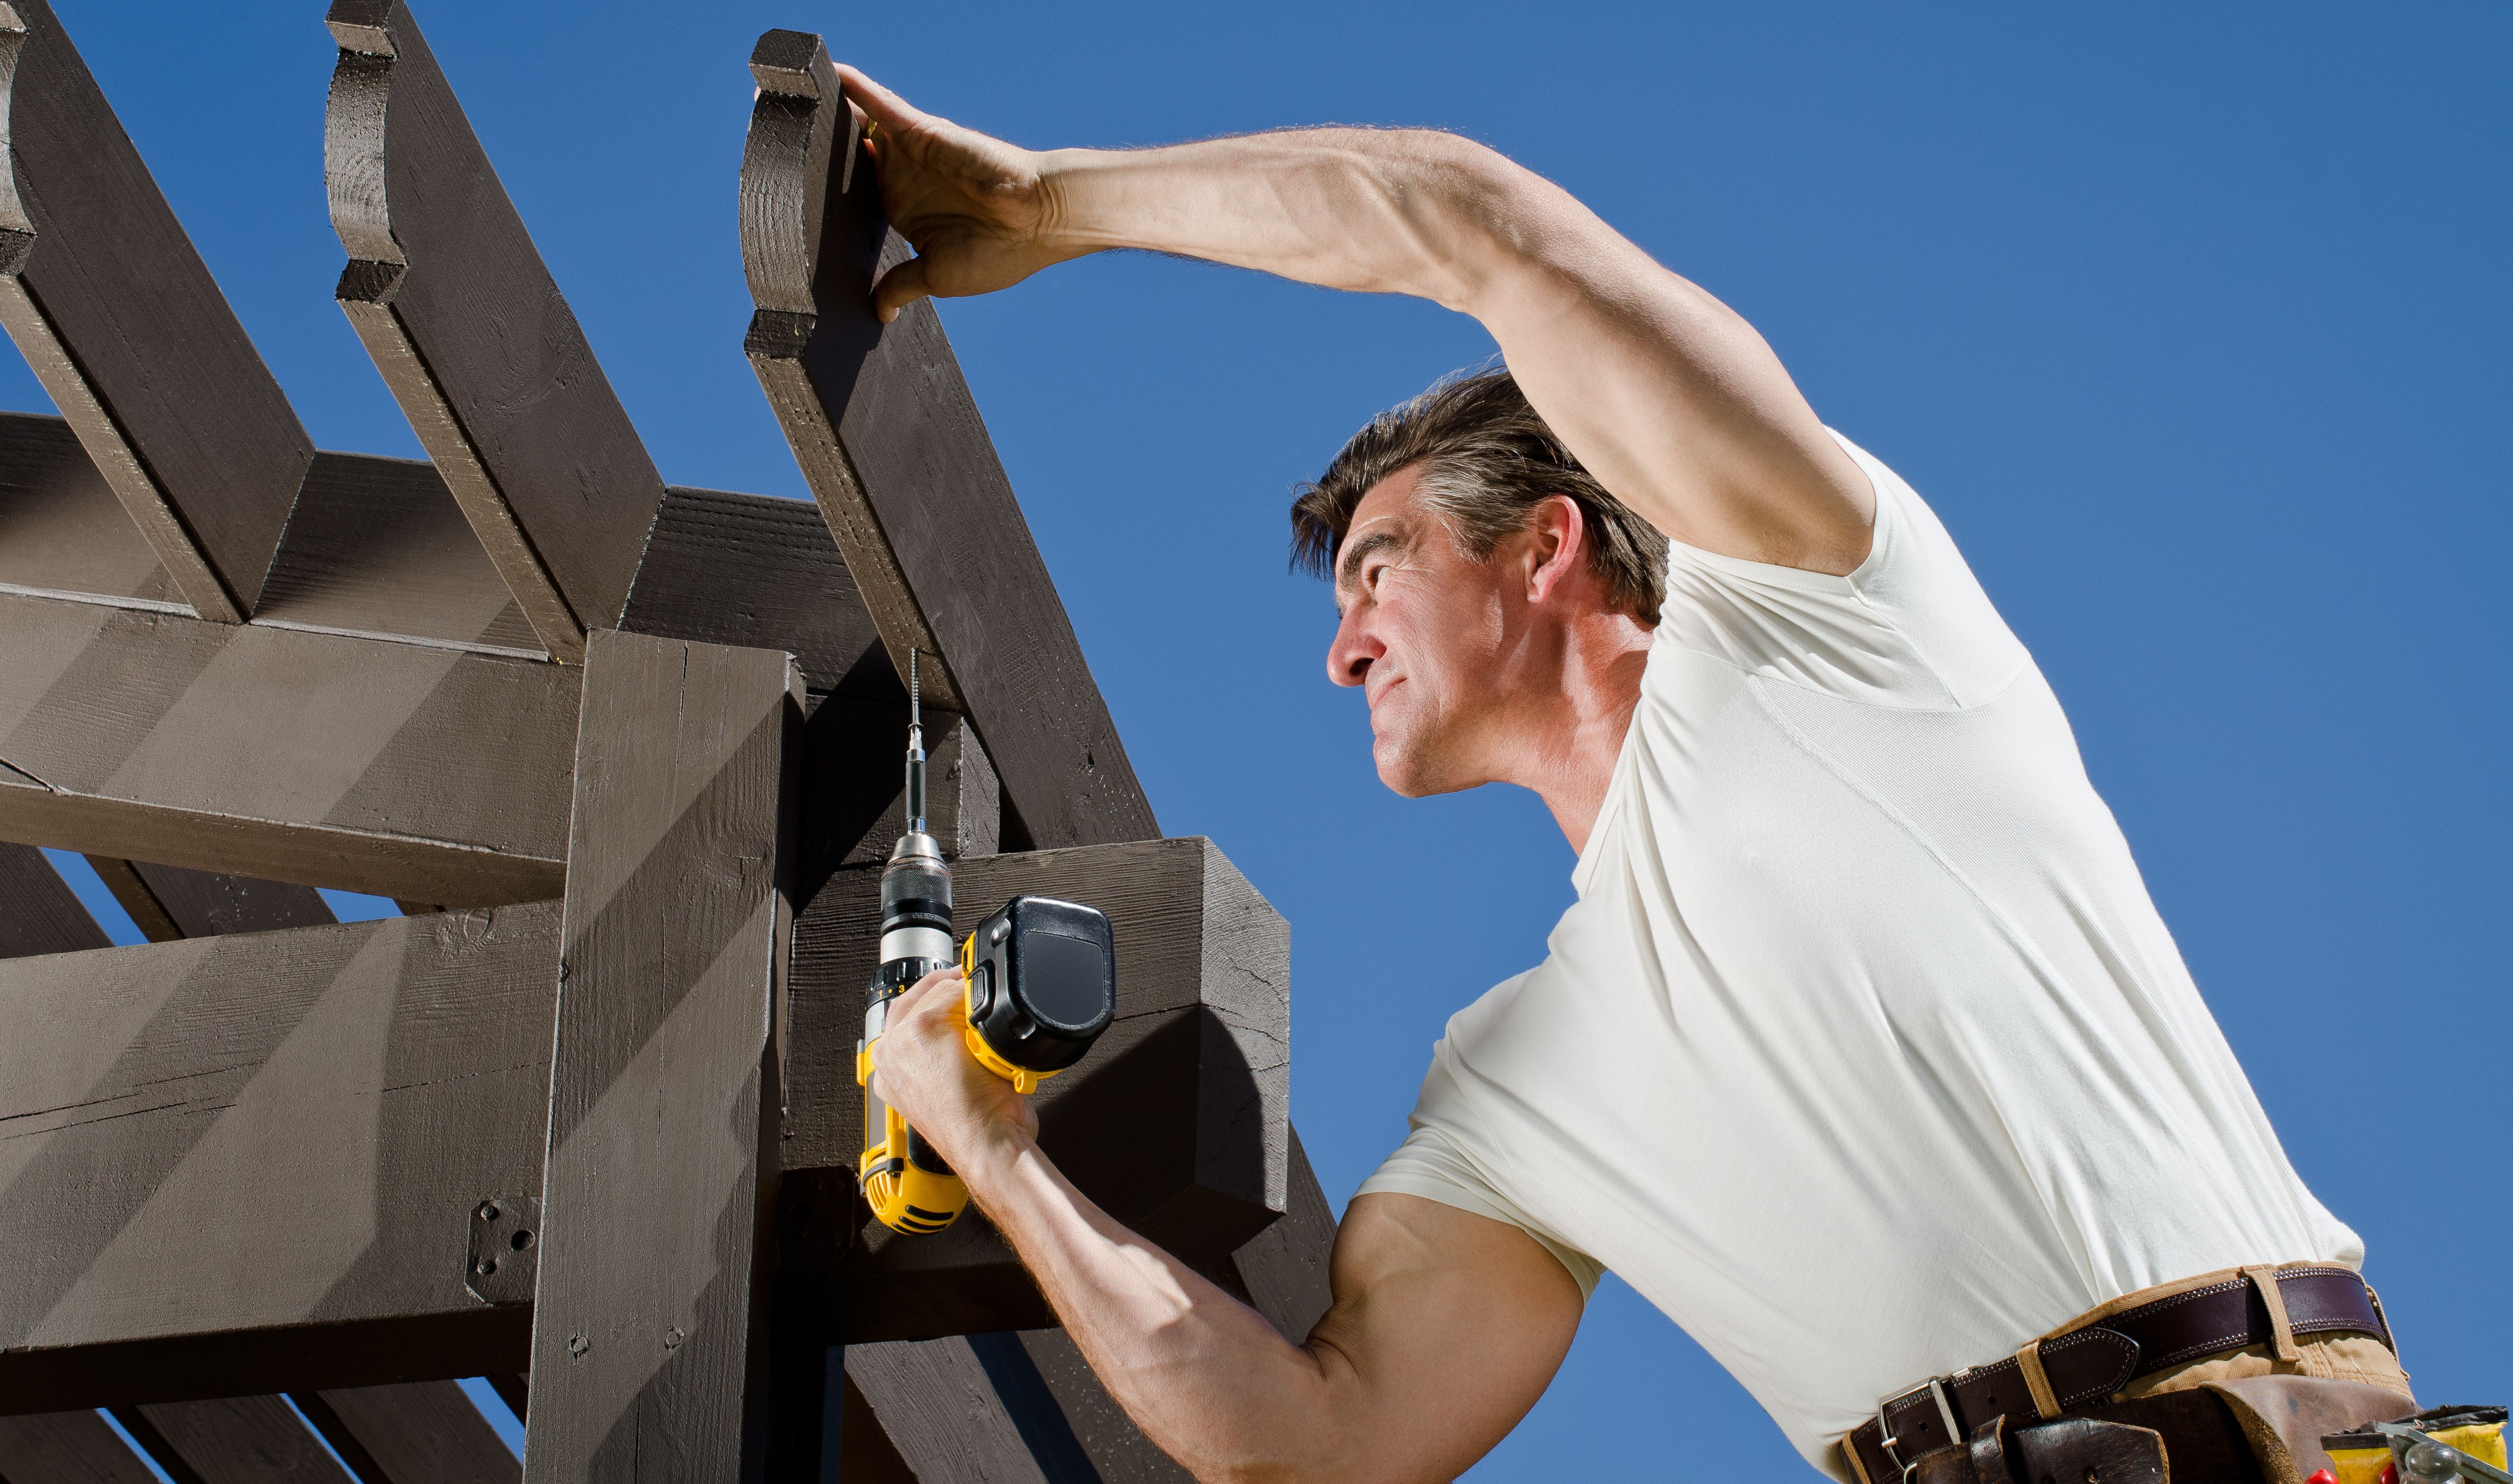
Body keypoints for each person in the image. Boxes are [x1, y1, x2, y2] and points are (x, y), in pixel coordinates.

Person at [845, 73, 2409, 1482]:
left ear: (1547, 545)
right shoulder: (1515, 1084)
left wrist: (1045, 205)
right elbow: (1315, 1448)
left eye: (1380, 570)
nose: (1345, 651)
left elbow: (1473, 222)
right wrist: (993, 1151)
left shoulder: (1823, 618)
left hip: (2279, 1440)